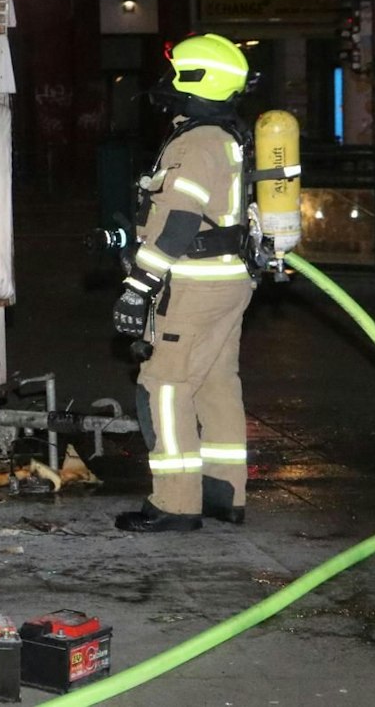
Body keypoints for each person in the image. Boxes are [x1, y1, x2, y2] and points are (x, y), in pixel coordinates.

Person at [111, 33, 258, 533]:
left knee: (164, 387)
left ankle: (175, 503)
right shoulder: (228, 136)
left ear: (195, 81)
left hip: (192, 286)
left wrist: (138, 287)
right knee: (217, 385)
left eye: (177, 72)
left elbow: (177, 226)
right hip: (230, 280)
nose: (168, 82)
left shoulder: (194, 143)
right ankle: (223, 493)